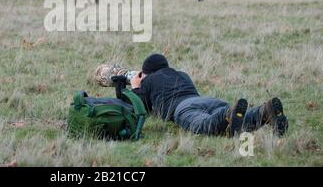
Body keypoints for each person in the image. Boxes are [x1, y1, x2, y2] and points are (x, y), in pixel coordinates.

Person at [92, 53, 288, 137]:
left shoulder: (149, 81)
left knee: (204, 125)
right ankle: (264, 111)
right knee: (238, 119)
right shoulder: (182, 74)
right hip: (207, 100)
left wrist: (135, 87)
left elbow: (136, 107)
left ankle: (227, 115)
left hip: (183, 108)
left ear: (147, 73)